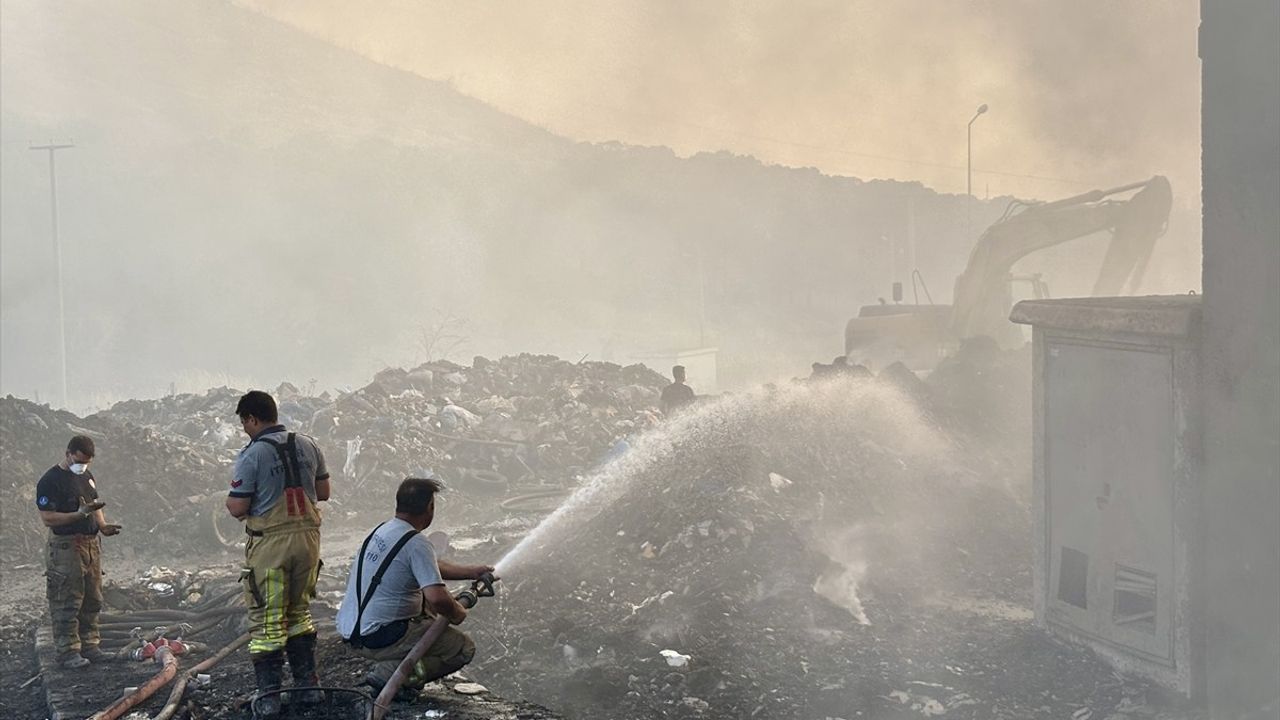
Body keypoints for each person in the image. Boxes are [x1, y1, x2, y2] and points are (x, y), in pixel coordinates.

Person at [336, 477, 495, 700]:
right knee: (462, 648)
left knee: (424, 604)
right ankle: (393, 674)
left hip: (352, 631)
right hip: (380, 637)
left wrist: (470, 572)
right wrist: (457, 612)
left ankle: (392, 667)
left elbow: (427, 566)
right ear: (430, 507)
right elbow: (438, 599)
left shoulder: (383, 531)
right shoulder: (416, 542)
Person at [226, 390, 331, 716]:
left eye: (245, 423)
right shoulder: (308, 444)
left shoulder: (252, 454)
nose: (245, 429)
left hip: (271, 546)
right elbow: (324, 492)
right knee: (299, 613)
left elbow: (238, 507)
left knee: (266, 620)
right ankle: (308, 687)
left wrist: (231, 501)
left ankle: (269, 696)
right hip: (308, 542)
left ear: (252, 419)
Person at [35, 435, 122, 669]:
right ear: (68, 454)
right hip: (66, 547)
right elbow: (48, 518)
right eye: (79, 461)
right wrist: (78, 515)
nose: (82, 466)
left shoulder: (86, 476)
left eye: (87, 462)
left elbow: (94, 505)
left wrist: (102, 526)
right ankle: (68, 651)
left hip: (90, 545)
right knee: (67, 599)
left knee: (92, 598)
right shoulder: (50, 481)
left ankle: (90, 645)